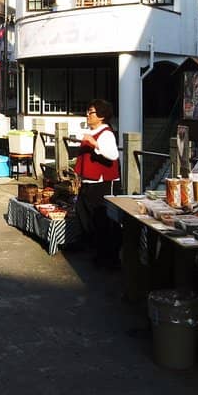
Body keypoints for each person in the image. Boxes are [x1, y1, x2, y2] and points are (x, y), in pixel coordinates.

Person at [74, 99, 121, 268]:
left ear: (101, 116)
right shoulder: (91, 132)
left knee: (102, 221)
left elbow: (113, 155)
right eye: (87, 111)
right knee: (84, 214)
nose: (88, 115)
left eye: (91, 112)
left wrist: (94, 143)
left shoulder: (106, 133)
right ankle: (97, 251)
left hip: (102, 183)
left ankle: (107, 257)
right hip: (89, 181)